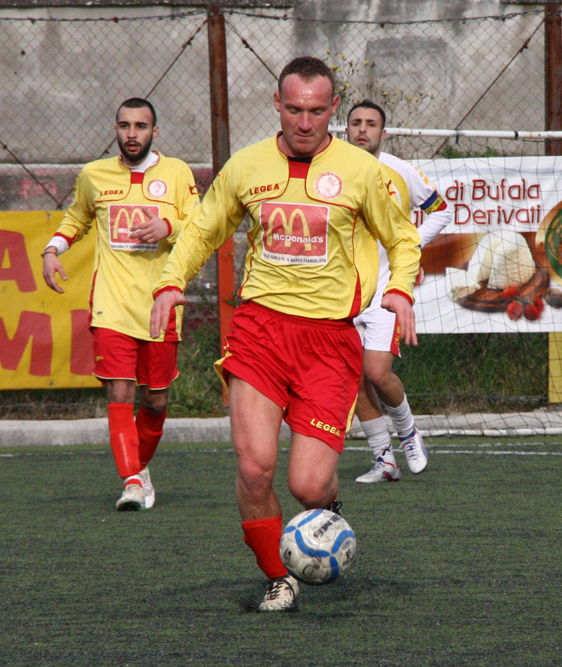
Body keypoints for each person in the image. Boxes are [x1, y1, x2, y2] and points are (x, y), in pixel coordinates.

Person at [149, 57, 421, 612]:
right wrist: (171, 281)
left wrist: (402, 291)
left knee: (308, 486)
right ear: (277, 105)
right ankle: (278, 577)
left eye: (317, 111)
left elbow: (403, 239)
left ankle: (328, 510)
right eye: (294, 109)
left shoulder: (361, 171)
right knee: (253, 467)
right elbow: (204, 226)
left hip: (328, 343)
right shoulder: (246, 166)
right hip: (260, 332)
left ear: (333, 110)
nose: (304, 121)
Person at [41, 98, 199, 511]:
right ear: (116, 128)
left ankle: (139, 466)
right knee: (119, 392)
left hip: (160, 304)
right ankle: (131, 481)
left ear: (155, 132)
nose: (132, 134)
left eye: (141, 126)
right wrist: (52, 250)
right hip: (111, 303)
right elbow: (76, 217)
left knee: (156, 401)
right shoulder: (94, 175)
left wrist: (169, 226)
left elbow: (201, 226)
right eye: (125, 125)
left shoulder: (178, 173)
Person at [345, 100, 453, 484]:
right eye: (355, 123)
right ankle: (383, 460)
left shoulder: (401, 170)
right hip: (341, 290)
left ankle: (408, 434)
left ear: (383, 133)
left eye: (371, 124)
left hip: (384, 289)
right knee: (353, 379)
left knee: (377, 372)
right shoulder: (332, 170)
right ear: (345, 130)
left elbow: (441, 210)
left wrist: (406, 244)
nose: (362, 130)